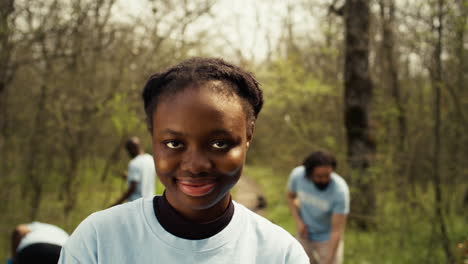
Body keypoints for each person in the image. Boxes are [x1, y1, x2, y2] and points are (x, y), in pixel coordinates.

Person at [59, 57, 309, 263]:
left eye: (219, 143)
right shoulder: (98, 241)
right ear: (152, 138)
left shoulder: (280, 254)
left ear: (248, 137)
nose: (195, 165)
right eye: (174, 144)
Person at [287, 151, 349, 264]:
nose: (324, 180)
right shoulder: (297, 176)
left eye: (327, 176)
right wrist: (299, 221)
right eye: (319, 176)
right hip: (304, 235)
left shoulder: (340, 191)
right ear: (309, 173)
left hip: (328, 240)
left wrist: (329, 259)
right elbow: (291, 197)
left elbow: (337, 231)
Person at [111, 136, 156, 206]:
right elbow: (144, 178)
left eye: (128, 150)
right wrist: (129, 177)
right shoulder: (151, 159)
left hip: (137, 205)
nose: (128, 153)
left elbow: (132, 188)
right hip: (150, 203)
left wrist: (117, 204)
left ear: (132, 149)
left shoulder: (134, 163)